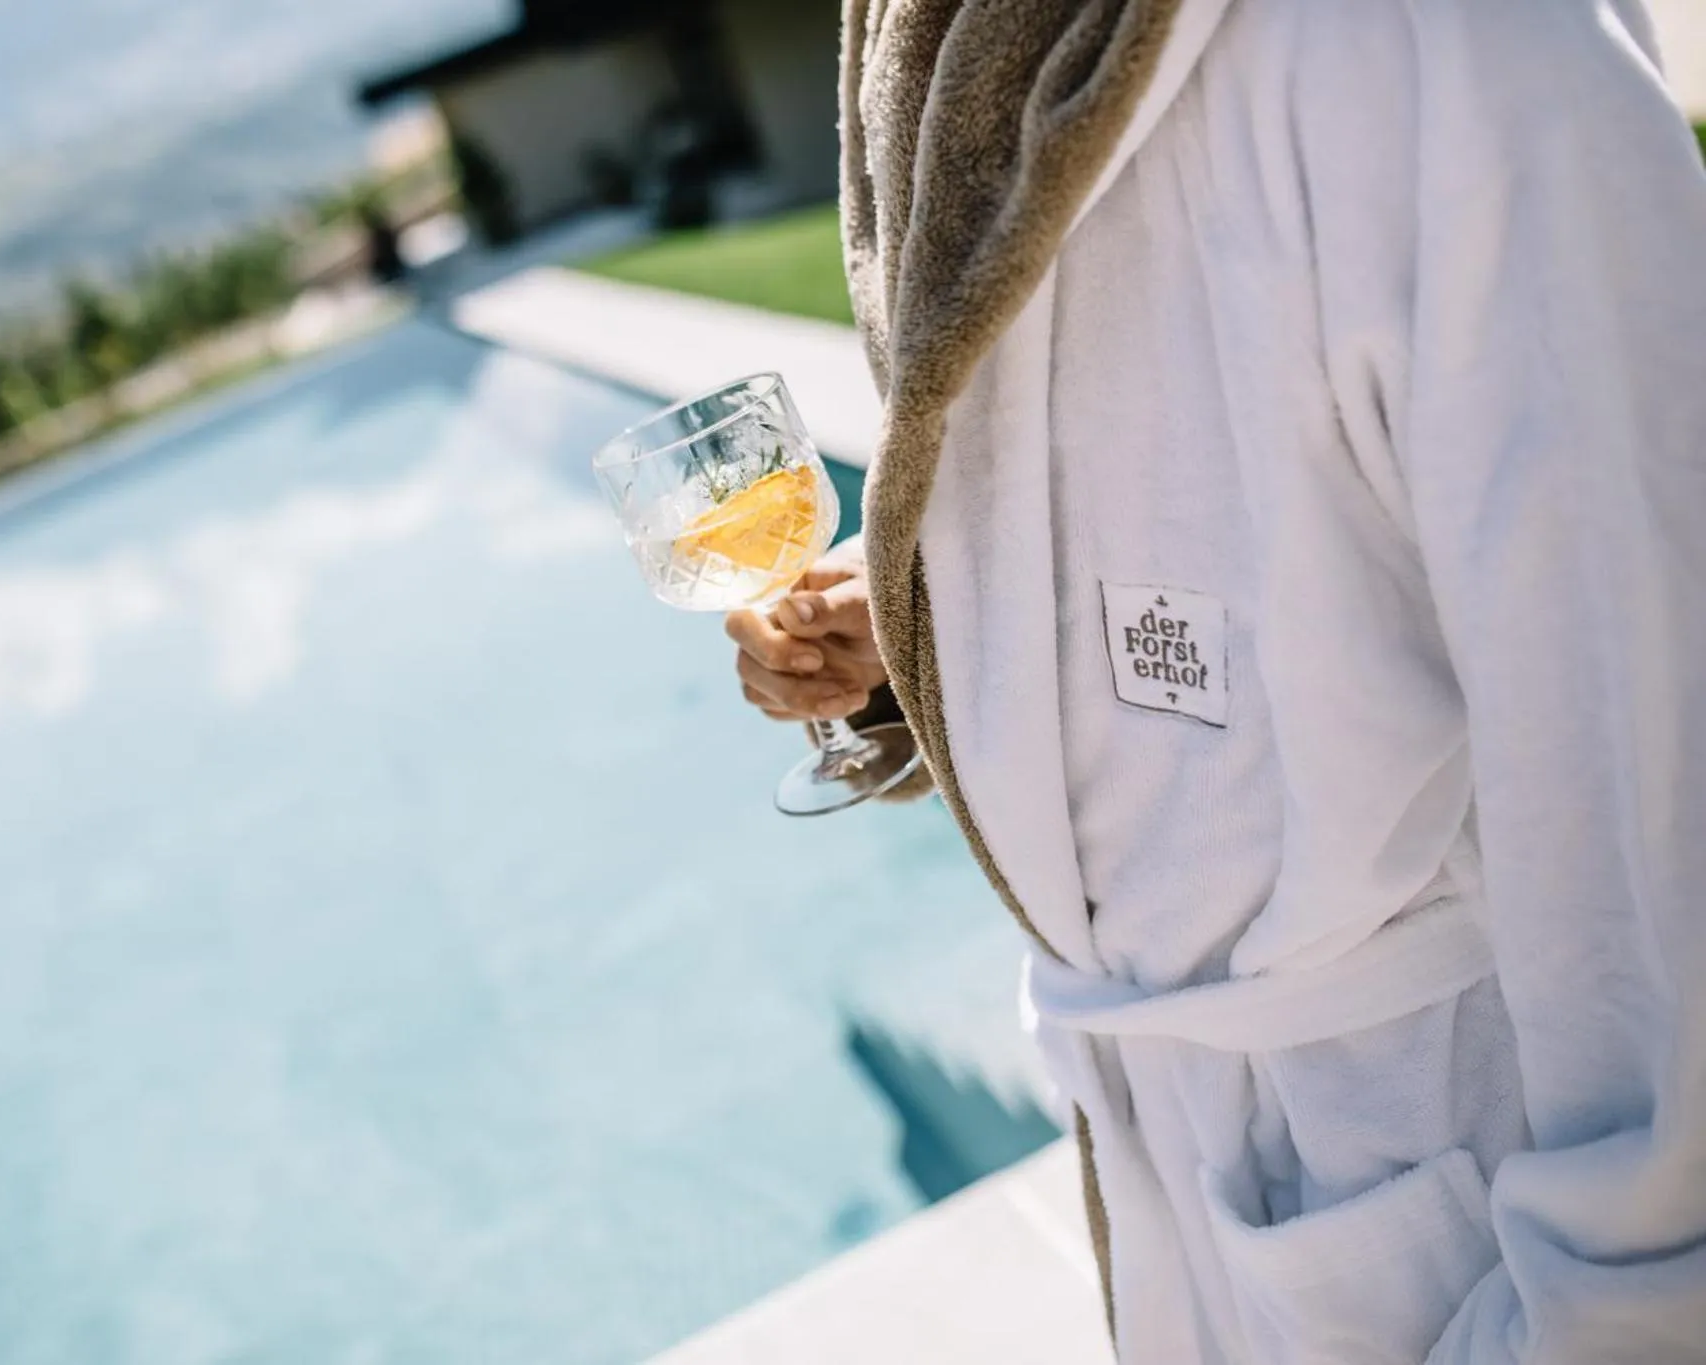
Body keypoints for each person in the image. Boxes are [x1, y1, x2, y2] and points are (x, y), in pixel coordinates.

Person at [728, 1, 1706, 1359]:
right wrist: (920, 633)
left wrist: (1634, 1310)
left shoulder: (1433, 41)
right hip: (1198, 1182)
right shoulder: (920, 33)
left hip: (1460, 1175)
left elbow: (1656, 738)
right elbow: (1144, 469)